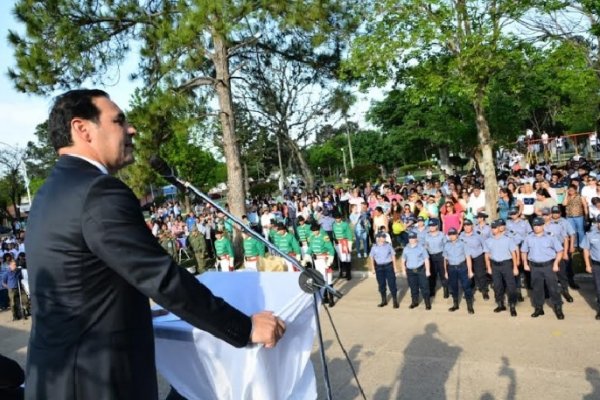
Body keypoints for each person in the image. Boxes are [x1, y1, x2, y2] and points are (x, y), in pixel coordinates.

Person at [24, 89, 285, 400]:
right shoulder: (98, 191)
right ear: (83, 129)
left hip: (58, 379)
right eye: (119, 121)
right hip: (96, 382)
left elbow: (83, 284)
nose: (131, 129)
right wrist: (244, 328)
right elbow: (161, 277)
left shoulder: (49, 192)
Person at [521, 217, 565, 319]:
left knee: (553, 288)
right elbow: (524, 251)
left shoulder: (550, 237)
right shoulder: (528, 237)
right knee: (537, 288)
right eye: (534, 226)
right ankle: (538, 308)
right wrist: (525, 263)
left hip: (548, 266)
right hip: (535, 267)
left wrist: (556, 263)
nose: (536, 227)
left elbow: (560, 251)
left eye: (538, 225)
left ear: (543, 225)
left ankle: (558, 308)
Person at [484, 220, 519, 317]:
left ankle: (512, 306)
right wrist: (488, 267)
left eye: (495, 227)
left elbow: (513, 253)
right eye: (492, 228)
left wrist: (515, 267)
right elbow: (486, 254)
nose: (493, 229)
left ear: (499, 228)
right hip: (495, 266)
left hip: (506, 264)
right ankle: (500, 304)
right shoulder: (488, 240)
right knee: (497, 286)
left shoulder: (507, 239)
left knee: (511, 286)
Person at [443, 228, 474, 314]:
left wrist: (470, 271)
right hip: (451, 268)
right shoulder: (446, 245)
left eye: (453, 234)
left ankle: (470, 306)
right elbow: (445, 259)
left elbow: (468, 257)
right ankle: (455, 304)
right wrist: (445, 271)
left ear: (457, 234)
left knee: (466, 286)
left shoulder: (463, 244)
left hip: (462, 267)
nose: (452, 236)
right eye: (450, 234)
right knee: (453, 287)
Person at [306, 223, 336, 307]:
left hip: (325, 260)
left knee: (328, 280)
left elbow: (331, 249)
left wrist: (329, 261)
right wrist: (306, 257)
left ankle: (331, 299)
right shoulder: (311, 237)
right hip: (317, 261)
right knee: (321, 280)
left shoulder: (324, 237)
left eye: (316, 230)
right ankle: (325, 297)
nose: (314, 232)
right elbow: (310, 248)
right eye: (313, 231)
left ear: (319, 230)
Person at [401, 231, 431, 310]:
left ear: (416, 238)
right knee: (413, 287)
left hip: (420, 270)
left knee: (424, 287)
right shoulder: (406, 248)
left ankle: (427, 303)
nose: (411, 239)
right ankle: (415, 302)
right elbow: (403, 260)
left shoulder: (421, 248)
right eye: (410, 238)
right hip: (410, 271)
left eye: (413, 238)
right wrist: (403, 270)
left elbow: (426, 259)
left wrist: (427, 270)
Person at [460, 219, 489, 300]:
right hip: (466, 258)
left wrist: (485, 256)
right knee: (468, 275)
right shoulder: (461, 236)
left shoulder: (478, 235)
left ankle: (484, 290)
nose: (467, 227)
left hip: (478, 257)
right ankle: (469, 291)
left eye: (468, 225)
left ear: (472, 226)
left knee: (481, 275)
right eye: (465, 226)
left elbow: (484, 246)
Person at [369, 231, 399, 308]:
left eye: (384, 237)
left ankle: (395, 301)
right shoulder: (374, 247)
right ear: (378, 238)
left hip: (388, 266)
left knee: (392, 284)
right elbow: (372, 257)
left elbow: (393, 256)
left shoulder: (388, 246)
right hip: (379, 268)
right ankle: (384, 300)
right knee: (381, 285)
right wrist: (373, 268)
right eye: (382, 237)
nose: (384, 238)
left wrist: (395, 267)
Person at [581, 215, 600, 320]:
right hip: (597, 265)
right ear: (597, 223)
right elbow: (586, 250)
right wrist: (587, 265)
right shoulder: (590, 235)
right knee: (598, 289)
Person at [424, 218, 448, 298]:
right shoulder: (426, 235)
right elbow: (425, 247)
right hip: (431, 257)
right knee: (432, 274)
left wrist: (446, 257)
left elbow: (446, 246)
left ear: (437, 226)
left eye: (433, 225)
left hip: (440, 256)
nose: (431, 227)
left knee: (442, 273)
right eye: (430, 226)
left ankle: (446, 289)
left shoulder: (442, 235)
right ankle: (432, 290)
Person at [332, 212, 353, 280]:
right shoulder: (333, 224)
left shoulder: (345, 224)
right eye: (336, 218)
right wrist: (334, 240)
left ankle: (348, 273)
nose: (337, 219)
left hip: (344, 242)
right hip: (337, 243)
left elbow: (349, 234)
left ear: (341, 218)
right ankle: (341, 272)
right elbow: (333, 233)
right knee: (341, 258)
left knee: (347, 258)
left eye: (338, 218)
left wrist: (349, 245)